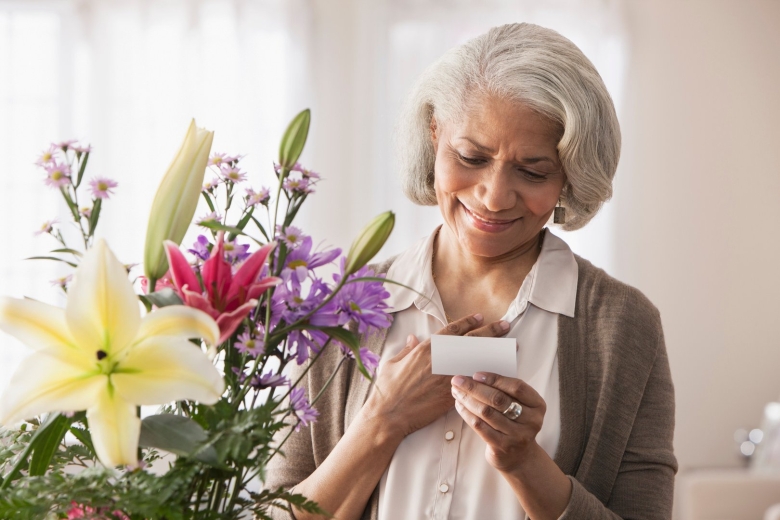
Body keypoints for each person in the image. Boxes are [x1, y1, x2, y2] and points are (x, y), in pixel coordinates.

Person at [265, 23, 677, 519]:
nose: (494, 197)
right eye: (471, 157)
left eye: (533, 170)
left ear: (570, 171)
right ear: (435, 133)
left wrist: (525, 462)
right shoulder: (343, 308)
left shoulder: (624, 327)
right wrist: (382, 419)